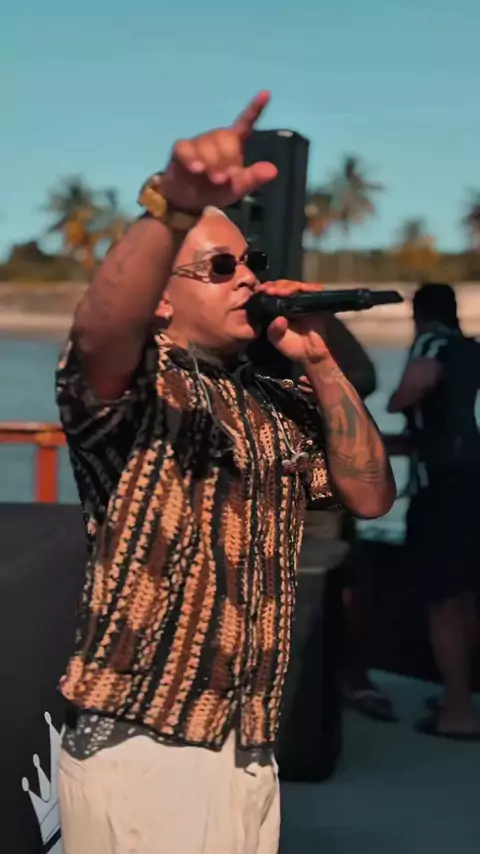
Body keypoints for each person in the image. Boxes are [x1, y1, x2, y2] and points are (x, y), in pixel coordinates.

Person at [55, 91, 395, 854]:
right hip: (144, 745)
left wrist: (320, 362)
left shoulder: (269, 401)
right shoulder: (134, 391)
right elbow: (102, 328)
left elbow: (370, 495)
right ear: (162, 301)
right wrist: (173, 208)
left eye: (252, 263)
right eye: (219, 267)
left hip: (248, 744)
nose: (246, 279)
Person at [389, 282, 480, 739]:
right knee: (462, 594)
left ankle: (458, 712)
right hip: (471, 484)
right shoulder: (470, 349)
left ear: (419, 313)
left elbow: (413, 388)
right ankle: (457, 696)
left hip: (440, 491)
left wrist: (395, 401)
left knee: (441, 600)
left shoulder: (432, 343)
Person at [300, 320, 398, 722]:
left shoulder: (302, 330)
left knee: (344, 581)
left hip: (318, 490)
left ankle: (352, 677)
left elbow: (364, 378)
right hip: (250, 491)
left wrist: (319, 325)